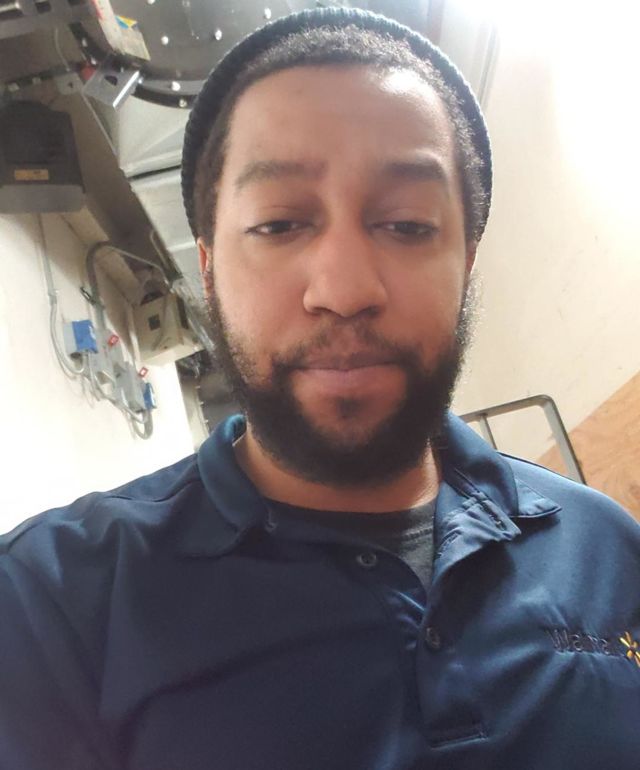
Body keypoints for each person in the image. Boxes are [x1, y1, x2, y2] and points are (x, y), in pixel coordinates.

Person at [1, 7, 639, 769]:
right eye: (278, 224)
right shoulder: (47, 605)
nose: (344, 289)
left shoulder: (607, 548)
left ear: (467, 263)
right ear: (209, 268)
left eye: (407, 225)